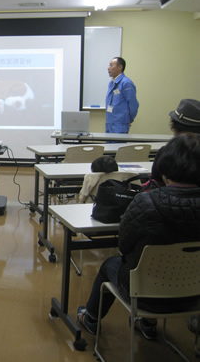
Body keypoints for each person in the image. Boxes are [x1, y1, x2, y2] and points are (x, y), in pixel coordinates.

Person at [77, 132, 200, 340]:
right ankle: (147, 324)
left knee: (110, 265)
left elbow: (124, 246)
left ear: (166, 166)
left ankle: (90, 318)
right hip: (193, 295)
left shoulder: (147, 202)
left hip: (144, 294)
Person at [106, 57, 139, 134]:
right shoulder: (111, 83)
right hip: (109, 123)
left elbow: (133, 104)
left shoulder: (126, 83)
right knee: (108, 146)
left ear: (120, 67)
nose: (108, 68)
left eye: (111, 65)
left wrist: (128, 119)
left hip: (120, 124)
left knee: (117, 146)